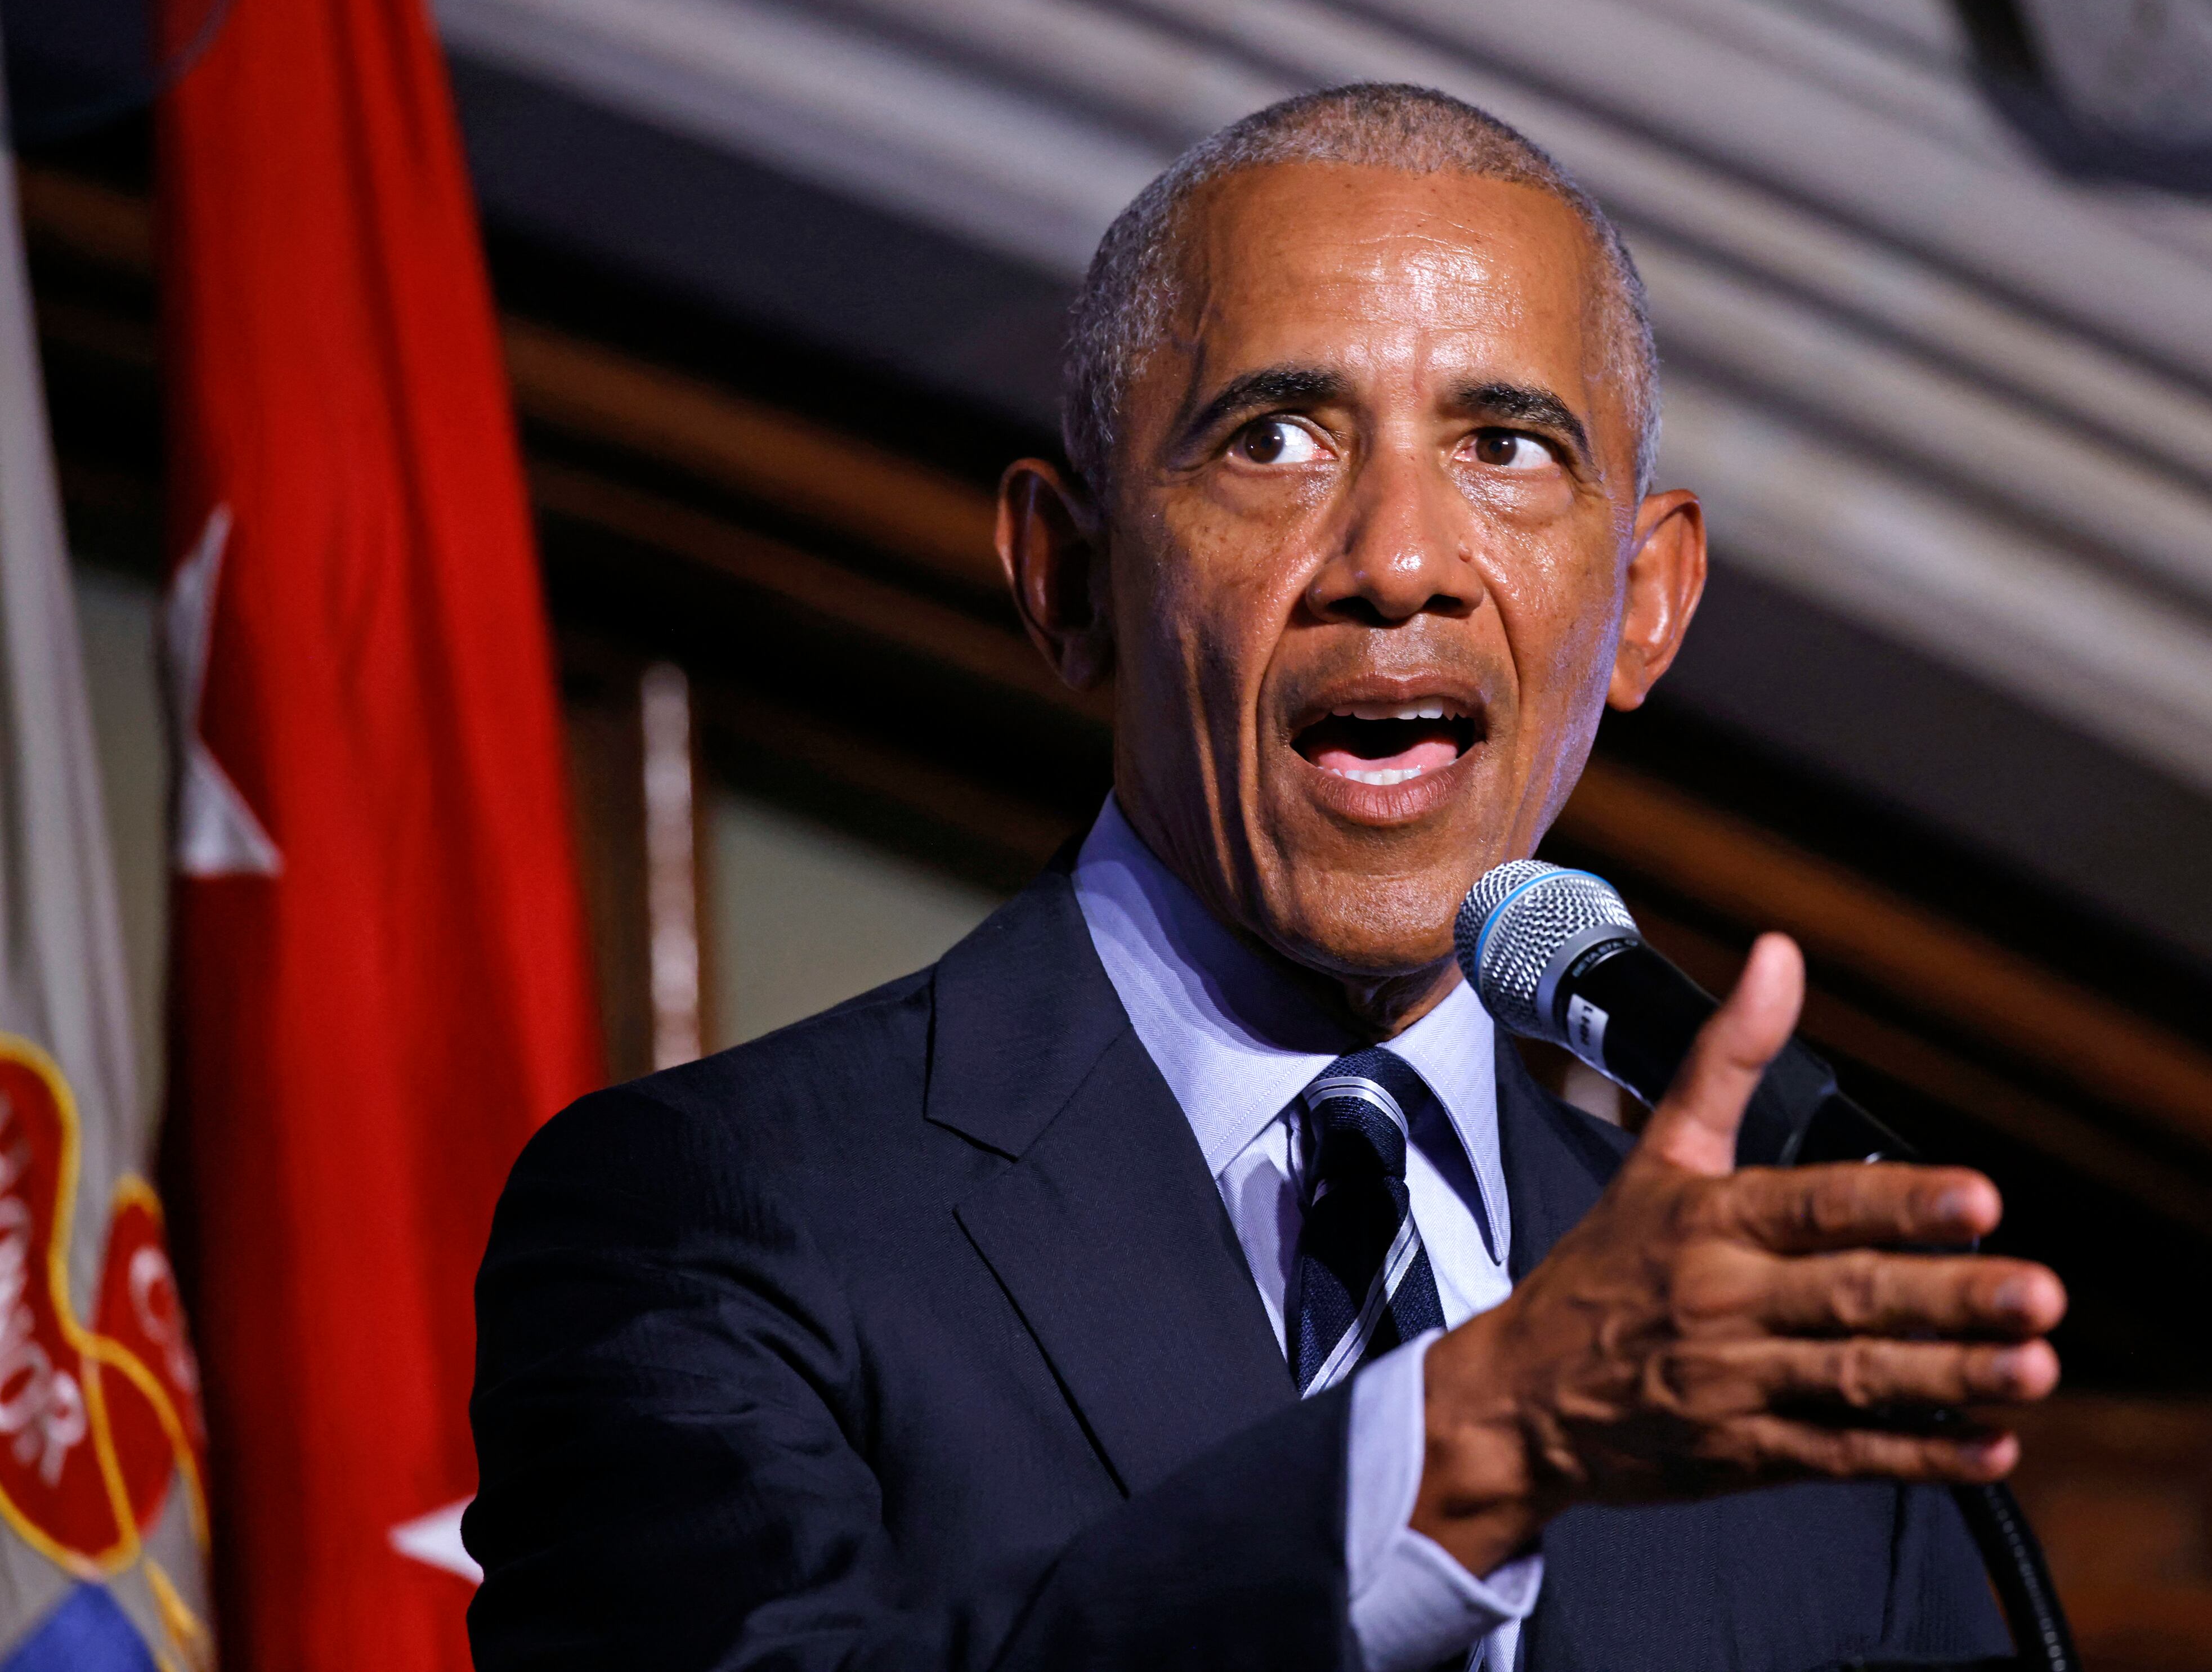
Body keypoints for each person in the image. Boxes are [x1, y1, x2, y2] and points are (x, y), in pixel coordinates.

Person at [466, 83, 2067, 1671]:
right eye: (1276, 439)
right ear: (1069, 577)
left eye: (1506, 446)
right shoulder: (713, 1216)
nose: (1397, 560)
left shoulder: (1765, 1362)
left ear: (1646, 603)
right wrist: (1474, 1448)